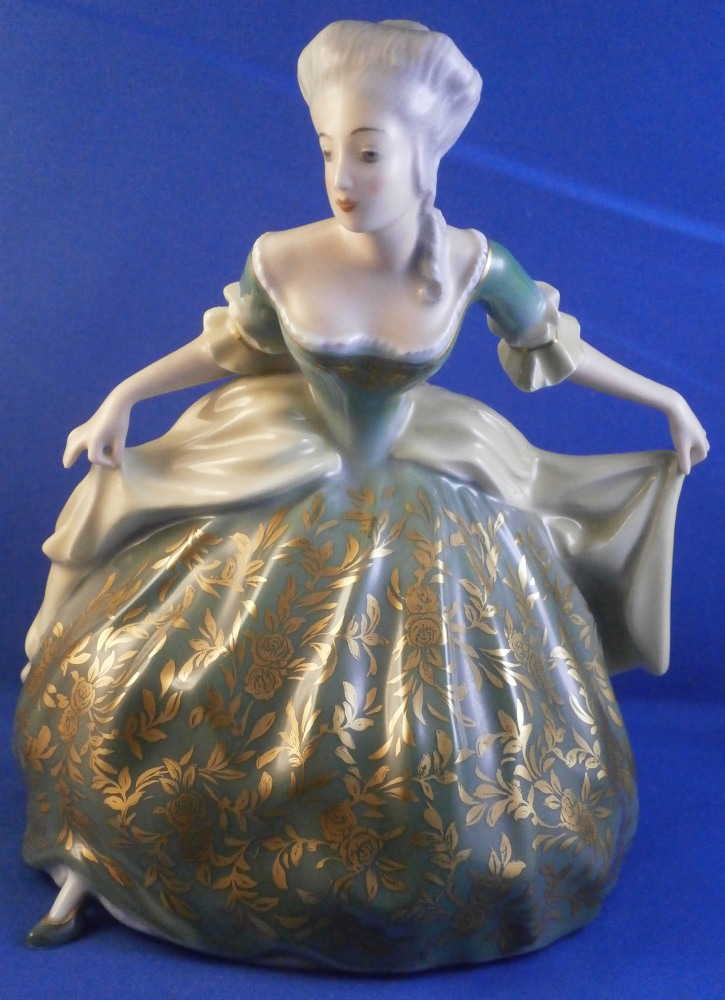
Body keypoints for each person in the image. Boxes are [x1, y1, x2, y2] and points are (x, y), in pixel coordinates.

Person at [15, 20, 708, 971]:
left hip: (425, 486)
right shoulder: (283, 257)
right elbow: (227, 347)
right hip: (290, 461)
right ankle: (121, 851)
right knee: (180, 661)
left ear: (422, 155)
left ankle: (424, 889)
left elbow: (557, 347)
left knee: (442, 713)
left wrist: (665, 398)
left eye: (369, 152)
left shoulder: (469, 262)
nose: (342, 178)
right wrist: (121, 398)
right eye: (327, 150)